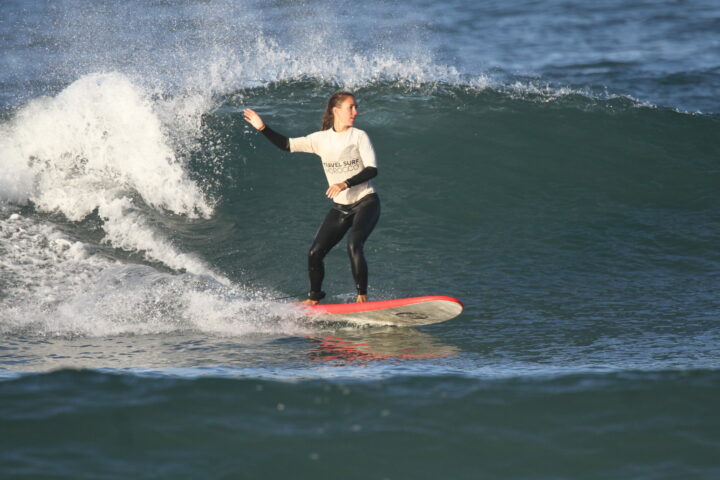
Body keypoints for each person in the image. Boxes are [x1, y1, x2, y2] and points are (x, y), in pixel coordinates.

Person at [243, 92, 380, 305]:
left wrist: (344, 183)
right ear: (336, 111)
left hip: (366, 202)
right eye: (350, 107)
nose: (355, 112)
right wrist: (263, 128)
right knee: (315, 252)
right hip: (341, 207)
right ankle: (314, 298)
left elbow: (372, 170)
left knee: (354, 243)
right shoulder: (320, 139)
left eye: (356, 107)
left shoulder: (359, 136)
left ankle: (362, 297)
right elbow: (287, 145)